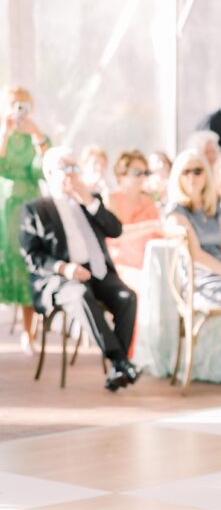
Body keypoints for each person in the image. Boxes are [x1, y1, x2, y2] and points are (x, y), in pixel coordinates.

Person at [19, 146, 139, 392]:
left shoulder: (89, 200)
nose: (72, 174)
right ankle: (120, 361)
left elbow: (115, 230)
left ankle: (119, 368)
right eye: (65, 168)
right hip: (60, 278)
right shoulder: (36, 208)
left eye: (75, 168)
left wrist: (88, 199)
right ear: (50, 172)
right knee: (79, 294)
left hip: (97, 272)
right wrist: (65, 268)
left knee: (127, 297)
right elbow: (32, 257)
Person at [167, 149, 221, 385]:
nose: (192, 177)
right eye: (186, 172)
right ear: (178, 177)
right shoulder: (176, 212)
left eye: (197, 171)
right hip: (198, 278)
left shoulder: (214, 206)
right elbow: (196, 255)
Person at [0, 86, 50, 354]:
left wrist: (37, 137)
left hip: (28, 207)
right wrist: (4, 134)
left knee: (26, 263)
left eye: (23, 105)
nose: (18, 110)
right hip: (3, 207)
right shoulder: (3, 134)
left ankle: (28, 335)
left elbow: (44, 171)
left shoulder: (37, 137)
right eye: (13, 104)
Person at [106, 150, 163, 270]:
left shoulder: (148, 200)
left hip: (150, 262)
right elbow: (116, 234)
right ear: (121, 175)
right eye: (137, 172)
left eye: (145, 172)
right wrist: (152, 225)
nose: (142, 177)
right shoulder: (112, 199)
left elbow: (159, 234)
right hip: (122, 264)